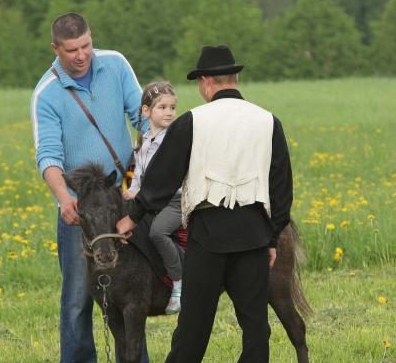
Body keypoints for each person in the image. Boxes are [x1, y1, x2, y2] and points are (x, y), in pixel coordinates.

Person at [116, 45, 293, 362]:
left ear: (206, 81)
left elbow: (161, 178)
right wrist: (272, 237)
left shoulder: (192, 122)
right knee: (255, 328)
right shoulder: (268, 122)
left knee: (193, 327)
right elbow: (281, 189)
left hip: (208, 235)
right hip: (253, 234)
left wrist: (133, 216)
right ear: (234, 78)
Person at [31, 12, 149, 363]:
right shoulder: (46, 93)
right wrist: (64, 198)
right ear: (55, 49)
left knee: (134, 292)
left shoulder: (115, 64)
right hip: (82, 209)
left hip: (124, 197)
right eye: (71, 50)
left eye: (86, 46)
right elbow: (48, 156)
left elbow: (142, 116)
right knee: (78, 299)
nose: (81, 55)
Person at [123, 80, 183, 315]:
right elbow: (139, 172)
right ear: (146, 111)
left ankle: (179, 283)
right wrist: (132, 189)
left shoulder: (174, 140)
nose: (169, 112)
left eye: (172, 107)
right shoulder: (146, 139)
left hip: (173, 201)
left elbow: (167, 179)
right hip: (151, 200)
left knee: (158, 232)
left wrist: (142, 192)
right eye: (162, 107)